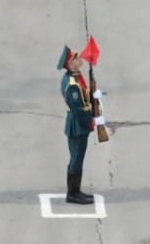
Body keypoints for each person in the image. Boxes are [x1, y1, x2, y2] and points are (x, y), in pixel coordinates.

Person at [56, 47, 98, 205]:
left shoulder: (76, 76)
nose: (79, 58)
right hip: (78, 124)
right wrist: (89, 121)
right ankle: (73, 193)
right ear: (70, 64)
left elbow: (84, 97)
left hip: (80, 122)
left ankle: (75, 190)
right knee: (76, 159)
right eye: (75, 57)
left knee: (78, 158)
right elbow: (78, 109)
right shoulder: (71, 83)